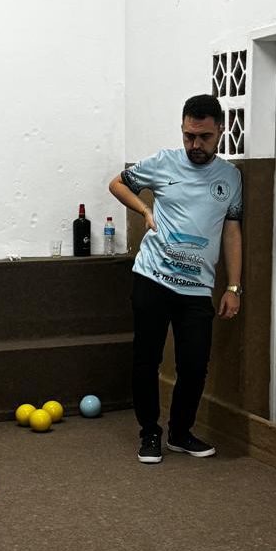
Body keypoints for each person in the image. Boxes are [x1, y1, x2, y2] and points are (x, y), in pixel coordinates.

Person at [108, 94, 243, 464]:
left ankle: (181, 433)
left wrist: (233, 286)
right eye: (188, 136)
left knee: (195, 364)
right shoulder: (163, 162)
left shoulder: (231, 178)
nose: (195, 145)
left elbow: (232, 231)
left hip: (198, 288)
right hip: (152, 278)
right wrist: (144, 209)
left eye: (203, 137)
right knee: (146, 359)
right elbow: (117, 184)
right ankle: (149, 432)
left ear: (220, 132)